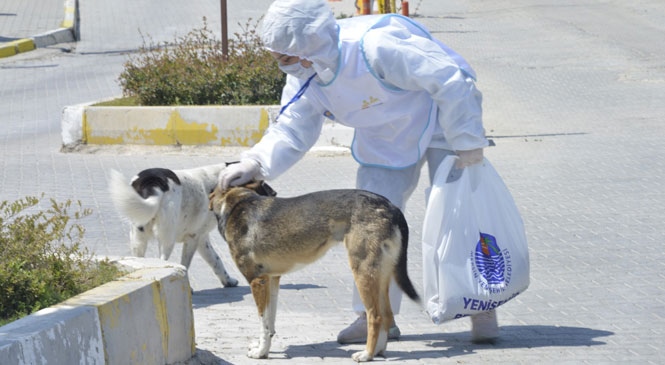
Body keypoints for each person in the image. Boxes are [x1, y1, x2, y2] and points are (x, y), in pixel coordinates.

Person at [218, 0, 499, 344]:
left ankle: (481, 304)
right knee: (368, 228)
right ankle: (376, 318)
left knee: (459, 215)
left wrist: (468, 139)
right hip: (386, 139)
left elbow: (449, 79)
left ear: (309, 46)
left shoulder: (374, 47)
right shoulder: (306, 76)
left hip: (444, 122)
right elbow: (292, 128)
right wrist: (255, 162)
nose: (281, 66)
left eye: (285, 57)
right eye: (278, 58)